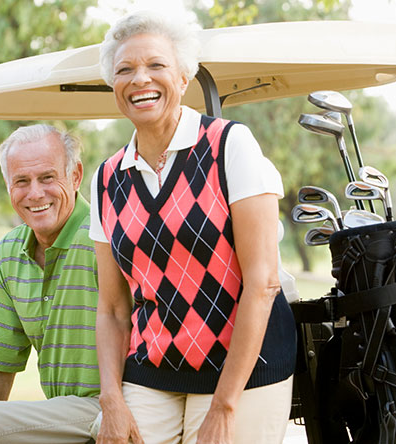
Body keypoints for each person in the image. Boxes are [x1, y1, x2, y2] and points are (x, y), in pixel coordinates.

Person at [92, 11, 297, 444]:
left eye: (156, 65)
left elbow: (263, 283)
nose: (139, 79)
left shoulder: (230, 145)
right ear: (113, 85)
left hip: (244, 366)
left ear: (184, 76)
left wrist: (225, 407)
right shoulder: (106, 179)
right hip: (153, 368)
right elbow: (112, 310)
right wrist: (111, 398)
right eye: (124, 69)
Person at [0, 124, 101, 444]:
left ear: (75, 176)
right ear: (8, 186)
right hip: (65, 416)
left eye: (47, 178)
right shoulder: (10, 253)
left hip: (117, 405)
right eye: (22, 182)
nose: (35, 193)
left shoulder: (106, 235)